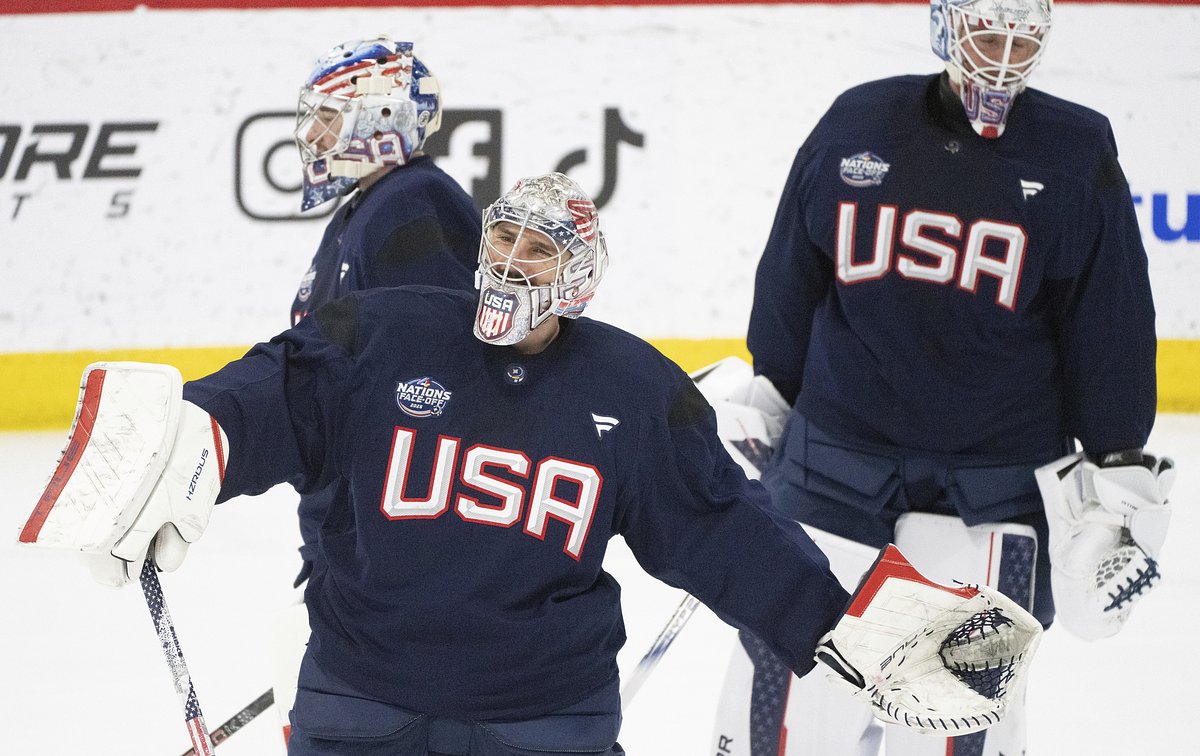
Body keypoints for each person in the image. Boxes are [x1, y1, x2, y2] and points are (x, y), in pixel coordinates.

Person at [24, 173, 1041, 756]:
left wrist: (837, 619)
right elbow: (274, 389)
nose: (510, 261)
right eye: (502, 236)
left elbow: (723, 527)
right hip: (358, 703)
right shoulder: (378, 330)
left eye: (540, 250)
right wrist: (195, 439)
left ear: (581, 278)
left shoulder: (636, 390)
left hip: (544, 723)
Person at [711, 1, 1174, 755]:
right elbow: (793, 274)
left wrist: (1117, 460)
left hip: (992, 484)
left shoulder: (1074, 149)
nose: (1004, 53)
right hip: (837, 460)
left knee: (953, 727)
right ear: (946, 27)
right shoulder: (857, 122)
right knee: (788, 702)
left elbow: (1109, 319)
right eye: (989, 32)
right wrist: (774, 386)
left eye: (1023, 36)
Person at [289, 36, 481, 587]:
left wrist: (382, 524)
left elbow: (434, 375)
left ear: (381, 120)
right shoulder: (370, 205)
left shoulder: (414, 202)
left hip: (386, 531)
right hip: (349, 518)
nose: (311, 135)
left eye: (328, 118)